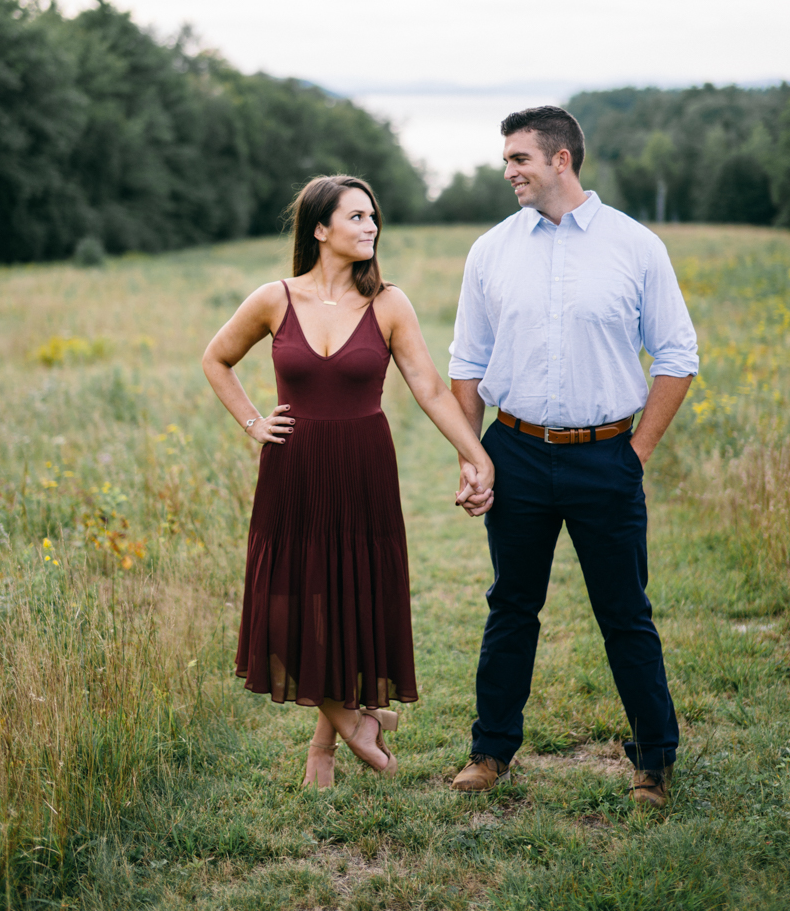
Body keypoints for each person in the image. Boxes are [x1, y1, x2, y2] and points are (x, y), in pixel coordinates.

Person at [202, 174, 494, 787]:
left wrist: (477, 455)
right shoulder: (273, 299)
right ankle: (355, 721)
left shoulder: (390, 303)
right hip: (294, 469)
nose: (370, 227)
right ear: (320, 228)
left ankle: (326, 746)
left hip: (364, 470)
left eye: (372, 218)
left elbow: (429, 388)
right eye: (356, 217)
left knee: (348, 597)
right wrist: (253, 423)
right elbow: (216, 358)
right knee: (286, 605)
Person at [448, 107, 698, 808]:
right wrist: (474, 457)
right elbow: (467, 364)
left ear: (562, 160)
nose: (508, 172)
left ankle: (654, 758)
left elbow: (679, 355)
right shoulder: (491, 250)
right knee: (511, 607)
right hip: (516, 452)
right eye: (506, 159)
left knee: (625, 612)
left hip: (606, 457)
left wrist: (637, 455)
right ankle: (490, 751)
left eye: (519, 158)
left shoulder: (635, 246)